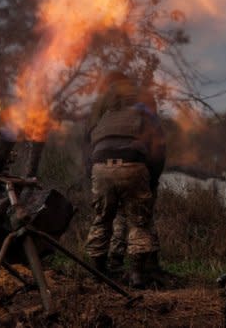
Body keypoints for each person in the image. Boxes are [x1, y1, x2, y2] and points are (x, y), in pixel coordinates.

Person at [84, 72, 165, 288]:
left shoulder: (104, 115)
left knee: (101, 219)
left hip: (100, 167)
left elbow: (89, 147)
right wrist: (153, 179)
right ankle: (137, 275)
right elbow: (158, 150)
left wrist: (91, 174)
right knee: (139, 222)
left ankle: (98, 274)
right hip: (133, 165)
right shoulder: (145, 112)